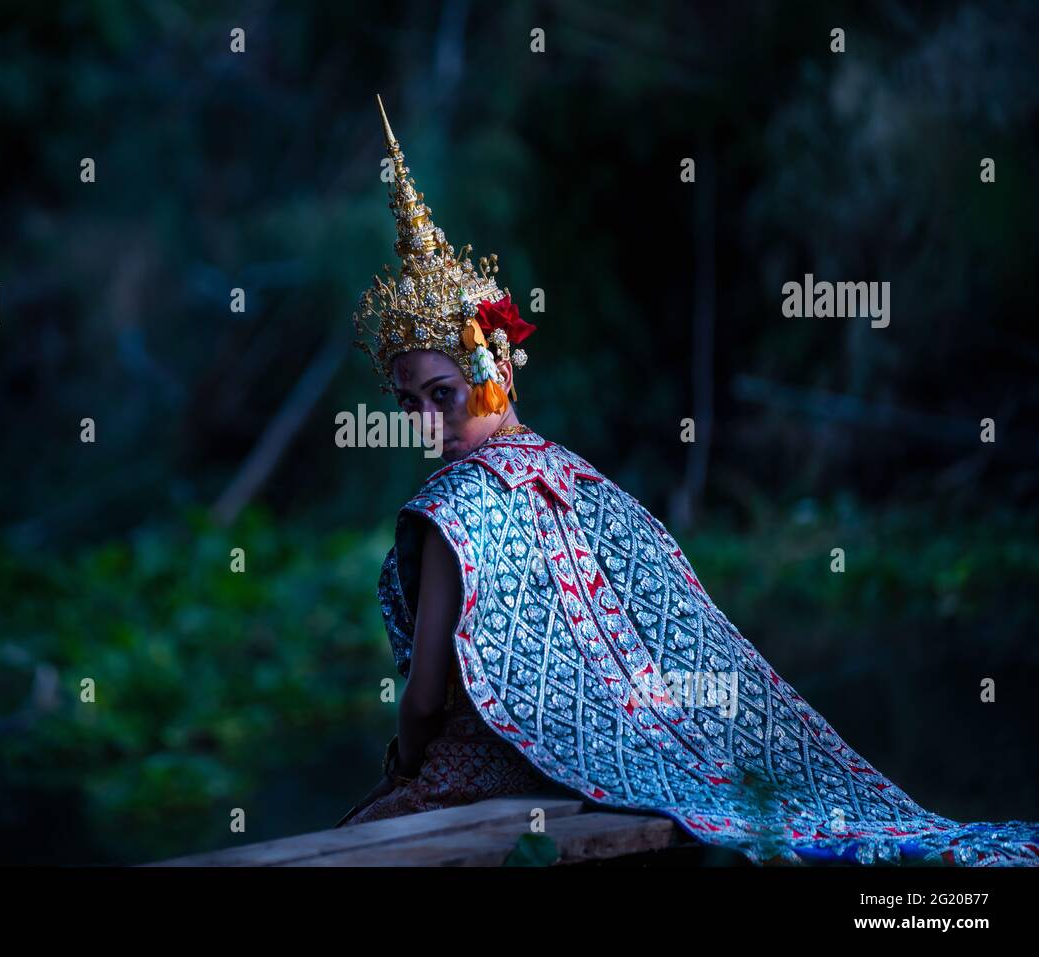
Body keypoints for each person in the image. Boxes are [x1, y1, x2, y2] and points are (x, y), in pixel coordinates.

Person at [334, 96, 1039, 866]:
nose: (429, 420)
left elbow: (427, 695)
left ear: (494, 368)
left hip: (491, 768)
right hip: (593, 769)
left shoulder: (447, 509)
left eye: (443, 392)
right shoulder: (574, 475)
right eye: (410, 404)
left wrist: (406, 762)